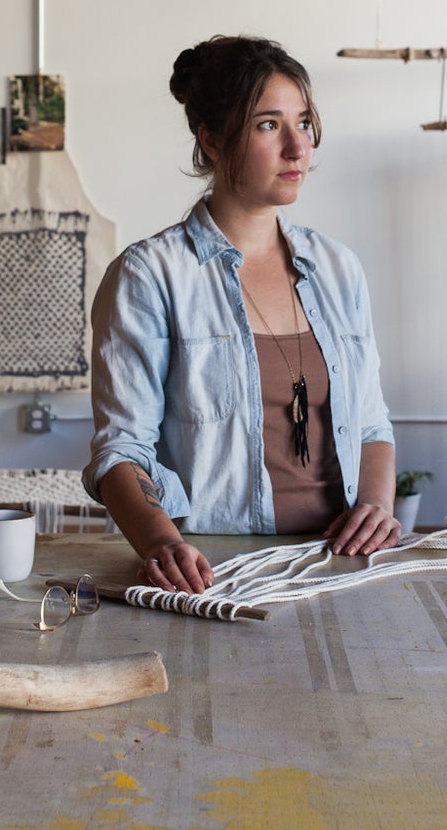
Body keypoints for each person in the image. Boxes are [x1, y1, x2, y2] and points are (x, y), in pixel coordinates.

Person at [85, 35, 399, 593]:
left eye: (303, 122)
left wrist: (375, 507)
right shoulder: (150, 275)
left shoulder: (338, 268)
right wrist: (163, 544)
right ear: (210, 140)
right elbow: (123, 450)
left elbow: (372, 425)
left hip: (341, 570)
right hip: (217, 575)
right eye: (268, 125)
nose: (298, 148)